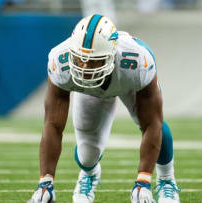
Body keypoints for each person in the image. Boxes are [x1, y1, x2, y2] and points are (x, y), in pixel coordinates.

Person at [27, 14, 180, 203]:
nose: (84, 67)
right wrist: (45, 182)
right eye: (80, 59)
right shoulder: (61, 59)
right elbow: (52, 124)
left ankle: (166, 181)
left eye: (93, 61)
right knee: (86, 156)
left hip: (125, 82)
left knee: (152, 121)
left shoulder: (137, 60)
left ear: (111, 55)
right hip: (89, 91)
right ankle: (89, 174)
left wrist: (143, 180)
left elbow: (152, 123)